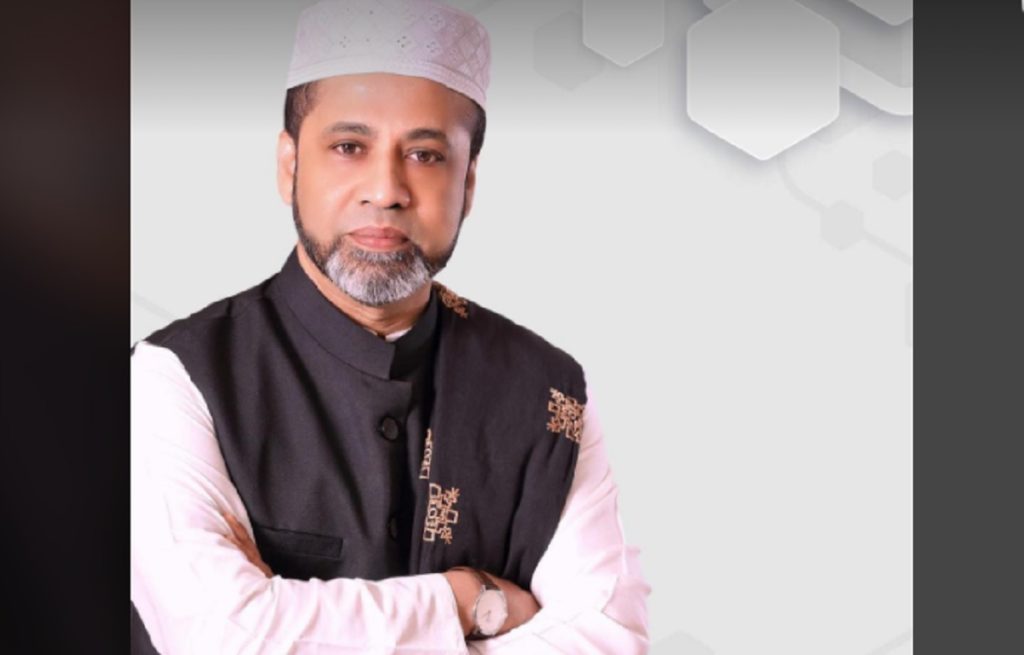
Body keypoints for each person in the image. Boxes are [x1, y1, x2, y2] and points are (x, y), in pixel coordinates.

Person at [130, 1, 650, 652]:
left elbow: (609, 635)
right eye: (349, 147)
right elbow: (219, 634)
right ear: (290, 165)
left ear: (469, 183)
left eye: (426, 155)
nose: (386, 189)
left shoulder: (547, 389)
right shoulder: (174, 378)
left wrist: (292, 618)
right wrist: (465, 602)